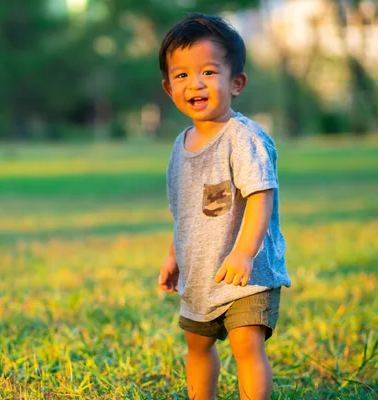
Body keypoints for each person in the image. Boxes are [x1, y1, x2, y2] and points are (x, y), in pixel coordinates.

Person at [156, 13, 292, 400]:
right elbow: (184, 214)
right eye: (181, 75)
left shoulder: (243, 137)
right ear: (168, 88)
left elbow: (260, 195)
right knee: (197, 347)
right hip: (201, 275)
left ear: (237, 82)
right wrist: (173, 256)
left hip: (246, 274)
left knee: (246, 344)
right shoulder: (180, 148)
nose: (195, 83)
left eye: (209, 72)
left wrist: (244, 252)